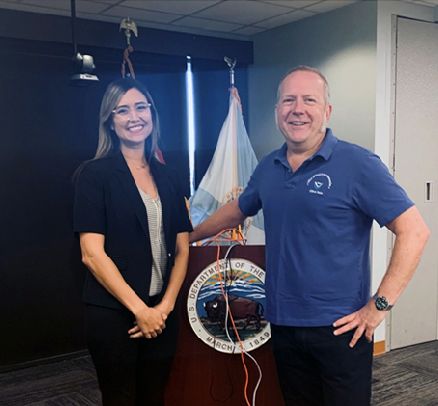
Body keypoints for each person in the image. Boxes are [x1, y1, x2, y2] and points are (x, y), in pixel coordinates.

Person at [189, 66, 430, 406]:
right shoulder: (268, 167)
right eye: (288, 100)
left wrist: (379, 306)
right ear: (277, 112)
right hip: (283, 322)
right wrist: (191, 235)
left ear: (326, 111)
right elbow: (237, 209)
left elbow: (415, 231)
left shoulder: (358, 164)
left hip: (342, 329)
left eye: (309, 100)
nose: (297, 109)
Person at [73, 78, 191, 406]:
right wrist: (140, 310)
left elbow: (182, 249)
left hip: (162, 312)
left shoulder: (169, 175)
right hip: (115, 316)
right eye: (122, 110)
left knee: (154, 397)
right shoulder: (93, 175)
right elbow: (91, 254)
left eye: (141, 107)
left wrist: (163, 308)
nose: (134, 116)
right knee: (121, 399)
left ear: (152, 113)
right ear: (110, 121)